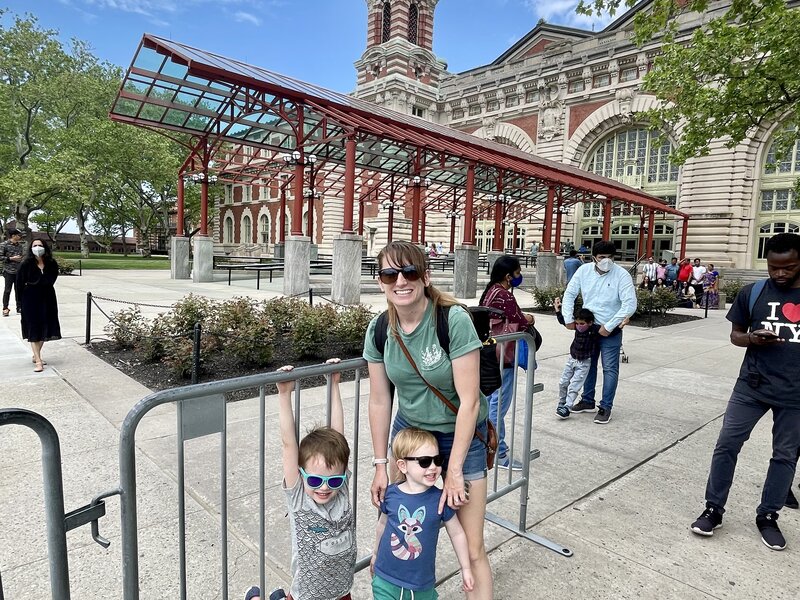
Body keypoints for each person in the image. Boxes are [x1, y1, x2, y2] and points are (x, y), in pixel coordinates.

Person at [363, 241, 493, 599]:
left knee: (472, 546)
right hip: (410, 437)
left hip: (460, 436)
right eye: (390, 274)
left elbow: (469, 402)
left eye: (409, 271)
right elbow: (379, 399)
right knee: (399, 524)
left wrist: (454, 471)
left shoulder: (452, 320)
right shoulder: (379, 329)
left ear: (425, 276)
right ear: (380, 281)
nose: (400, 281)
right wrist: (380, 465)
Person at [690, 232, 800, 551]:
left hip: (795, 394)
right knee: (726, 444)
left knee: (784, 456)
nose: (780, 273)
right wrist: (752, 338)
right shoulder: (753, 292)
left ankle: (768, 516)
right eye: (773, 267)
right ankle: (713, 509)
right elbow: (736, 335)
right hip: (752, 386)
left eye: (789, 267)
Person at [270, 358, 356, 600]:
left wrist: (334, 384)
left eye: (334, 480)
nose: (325, 487)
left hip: (341, 592)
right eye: (316, 481)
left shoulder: (341, 488)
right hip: (307, 595)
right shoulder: (299, 497)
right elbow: (289, 445)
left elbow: (339, 436)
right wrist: (284, 394)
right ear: (302, 475)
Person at [371, 427, 474, 599]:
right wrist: (375, 554)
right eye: (425, 461)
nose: (433, 467)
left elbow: (457, 533)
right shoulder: (391, 494)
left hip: (421, 585)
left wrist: (466, 568)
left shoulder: (440, 499)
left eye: (437, 460)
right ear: (403, 466)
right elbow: (382, 525)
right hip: (385, 580)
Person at [561, 240, 637, 424]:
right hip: (588, 329)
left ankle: (605, 406)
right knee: (587, 365)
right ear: (594, 257)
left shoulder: (621, 275)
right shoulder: (584, 271)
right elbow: (570, 293)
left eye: (610, 257)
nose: (606, 261)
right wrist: (568, 318)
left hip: (610, 329)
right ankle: (587, 400)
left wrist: (609, 326)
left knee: (610, 368)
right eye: (602, 257)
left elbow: (629, 304)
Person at [479, 255, 535, 471]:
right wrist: (529, 318)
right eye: (517, 273)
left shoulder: (490, 291)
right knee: (499, 405)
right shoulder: (505, 296)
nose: (519, 276)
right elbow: (521, 321)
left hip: (489, 354)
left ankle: (485, 444)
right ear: (508, 275)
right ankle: (498, 451)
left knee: (489, 402)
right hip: (504, 356)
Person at [17, 238, 61, 372]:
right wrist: (19, 303)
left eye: (40, 245)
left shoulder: (51, 263)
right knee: (34, 327)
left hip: (48, 297)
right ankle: (38, 360)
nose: (37, 247)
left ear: (45, 247)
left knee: (46, 326)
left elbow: (52, 278)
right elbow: (19, 284)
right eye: (34, 245)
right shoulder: (26, 264)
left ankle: (36, 355)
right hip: (30, 298)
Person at [552, 298, 598, 420]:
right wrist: (558, 310)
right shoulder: (576, 328)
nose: (579, 326)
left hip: (584, 362)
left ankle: (567, 407)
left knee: (574, 385)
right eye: (577, 323)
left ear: (590, 323)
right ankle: (562, 402)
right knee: (563, 382)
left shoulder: (593, 330)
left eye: (582, 324)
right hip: (572, 359)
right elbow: (563, 321)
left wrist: (620, 324)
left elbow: (607, 330)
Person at [1, 228, 24, 317]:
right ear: (13, 236)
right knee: (7, 290)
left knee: (19, 290)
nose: (20, 237)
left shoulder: (20, 246)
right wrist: (11, 258)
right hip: (8, 271)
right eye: (18, 235)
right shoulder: (4, 245)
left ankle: (19, 307)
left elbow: (21, 256)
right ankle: (5, 308)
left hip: (19, 271)